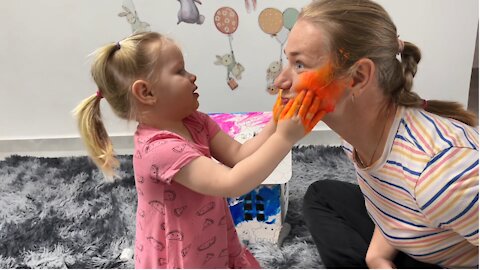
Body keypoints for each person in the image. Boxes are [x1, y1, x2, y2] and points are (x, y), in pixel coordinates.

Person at [74, 31, 315, 268]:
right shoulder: (160, 149)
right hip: (179, 256)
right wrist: (285, 137)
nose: (193, 76)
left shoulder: (194, 121)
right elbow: (233, 182)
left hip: (211, 237)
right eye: (180, 71)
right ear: (146, 92)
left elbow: (238, 155)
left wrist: (276, 121)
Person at [273, 0, 479, 268]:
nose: (279, 81)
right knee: (320, 195)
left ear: (358, 77)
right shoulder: (354, 131)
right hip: (416, 229)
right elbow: (391, 194)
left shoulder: (443, 177)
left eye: (299, 64)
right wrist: (377, 257)